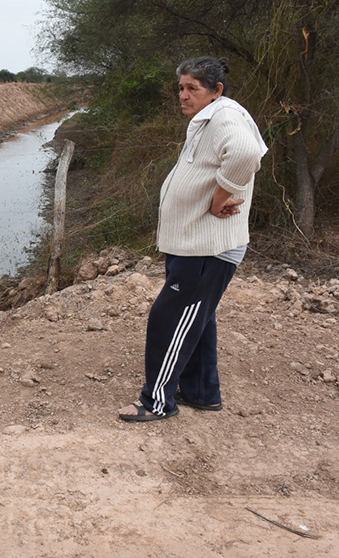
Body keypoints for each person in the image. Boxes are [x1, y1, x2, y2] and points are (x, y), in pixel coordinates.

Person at [118, 56, 268, 422]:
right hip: (197, 243)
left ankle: (157, 402)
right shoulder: (209, 118)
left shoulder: (225, 117)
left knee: (168, 319)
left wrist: (222, 195)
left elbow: (247, 153)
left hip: (209, 247)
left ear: (216, 90)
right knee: (197, 319)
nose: (183, 96)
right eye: (181, 88)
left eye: (192, 89)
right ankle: (201, 393)